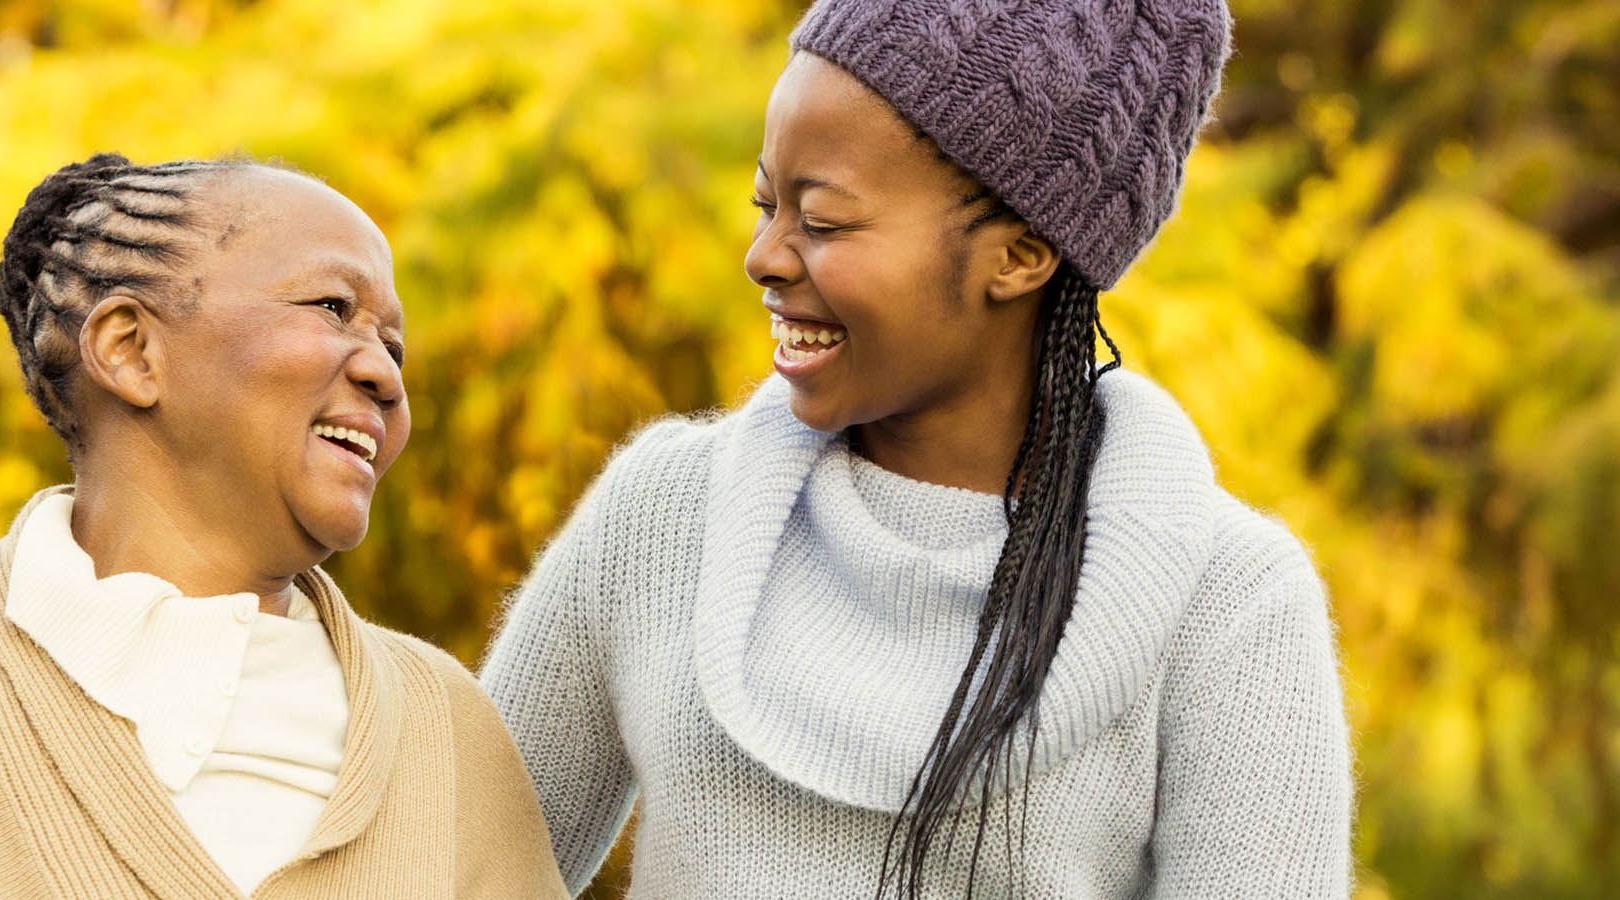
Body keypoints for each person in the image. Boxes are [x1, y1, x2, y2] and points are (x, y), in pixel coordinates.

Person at [480, 1, 1353, 897]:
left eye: (822, 222)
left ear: (1019, 254)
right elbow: (450, 863)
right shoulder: (664, 516)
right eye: (765, 204)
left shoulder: (1228, 605)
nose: (764, 257)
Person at [0, 154, 567, 899]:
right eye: (333, 308)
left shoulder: (447, 735)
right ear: (131, 350)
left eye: (395, 346)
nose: (385, 375)